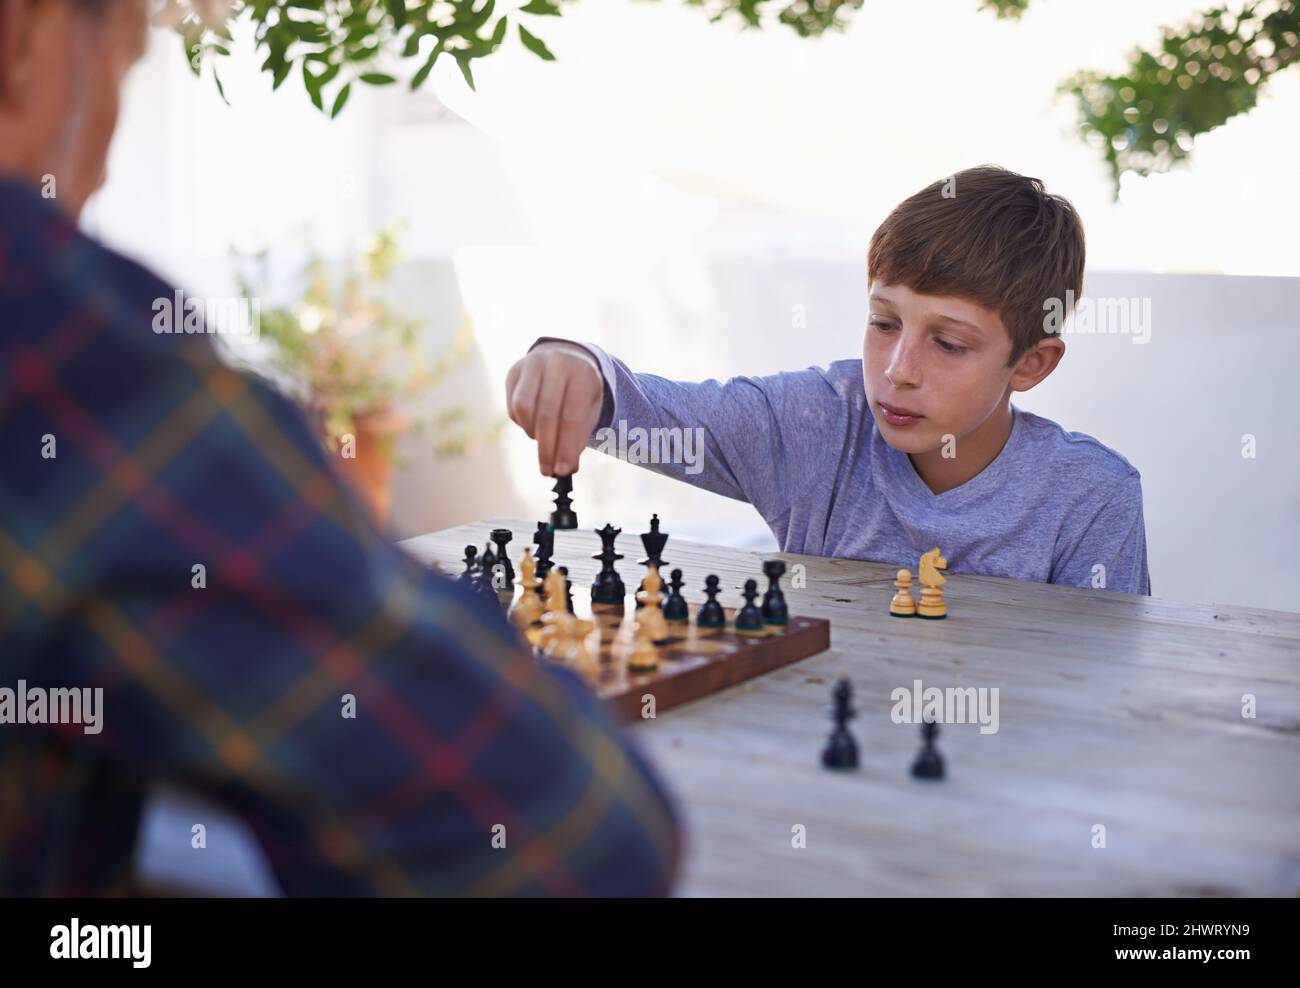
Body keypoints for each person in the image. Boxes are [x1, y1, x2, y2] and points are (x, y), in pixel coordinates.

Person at [0, 0, 680, 896]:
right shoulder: (58, 338)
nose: (92, 180)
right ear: (25, 38)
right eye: (125, 69)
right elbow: (571, 837)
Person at [507, 166, 1151, 595]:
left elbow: (1101, 692)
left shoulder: (1091, 498)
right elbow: (642, 410)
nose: (899, 371)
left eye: (949, 343)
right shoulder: (818, 423)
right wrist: (572, 360)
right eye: (883, 322)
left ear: (1031, 363)